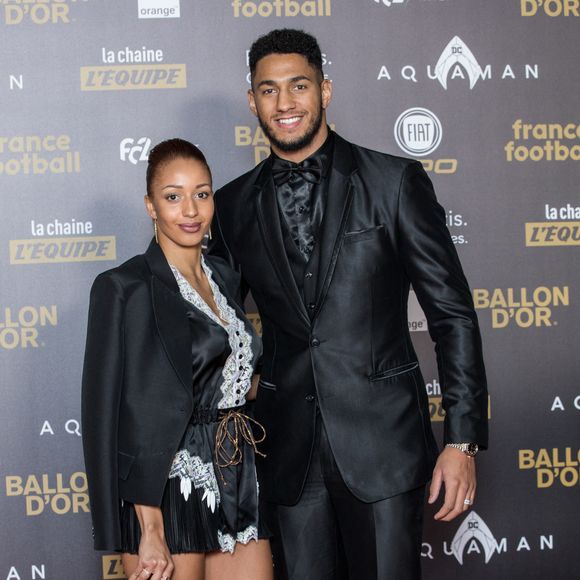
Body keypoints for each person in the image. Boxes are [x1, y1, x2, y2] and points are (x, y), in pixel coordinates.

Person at [209, 29, 488, 580]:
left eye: (298, 86)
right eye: (269, 90)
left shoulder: (394, 182)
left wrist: (462, 438)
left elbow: (451, 314)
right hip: (287, 455)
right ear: (252, 101)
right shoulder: (232, 204)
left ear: (326, 90)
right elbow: (214, 321)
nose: (284, 104)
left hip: (384, 447)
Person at [82, 139, 273, 580]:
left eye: (201, 194)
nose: (190, 210)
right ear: (150, 205)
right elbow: (114, 416)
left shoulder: (224, 276)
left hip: (240, 477)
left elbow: (230, 377)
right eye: (173, 196)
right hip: (168, 487)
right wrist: (148, 526)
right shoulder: (123, 287)